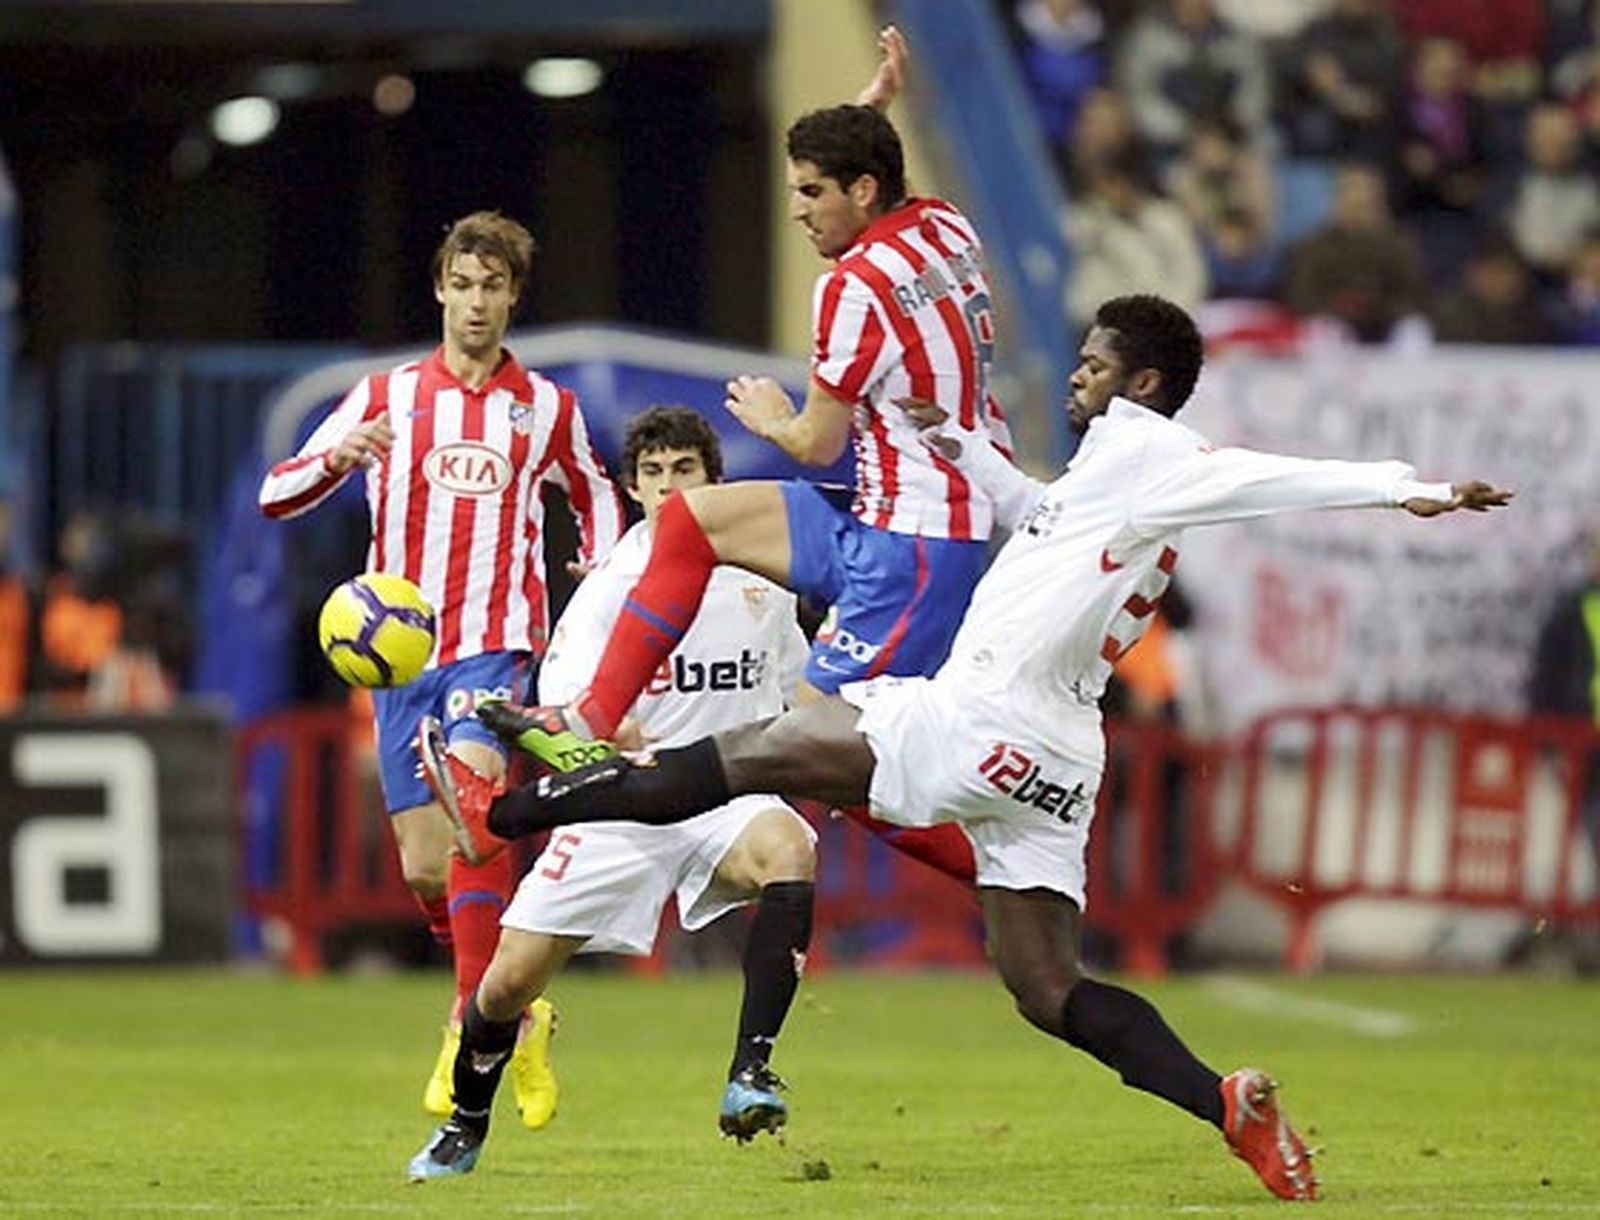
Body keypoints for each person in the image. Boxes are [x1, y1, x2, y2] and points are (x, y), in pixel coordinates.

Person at [464, 295, 1513, 1202]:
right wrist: (961, 449)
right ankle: (1224, 1101)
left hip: (982, 717)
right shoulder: (1107, 475)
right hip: (1058, 763)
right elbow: (1038, 513)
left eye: (1097, 363)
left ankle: (511, 809)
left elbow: (1247, 475)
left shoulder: (1151, 453)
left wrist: (1398, 483)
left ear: (1141, 380)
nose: (1078, 375)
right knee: (1047, 984)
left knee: (757, 753)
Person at [480, 27, 1001, 885]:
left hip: (917, 549)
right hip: (884, 512)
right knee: (688, 522)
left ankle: (1011, 877)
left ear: (861, 190)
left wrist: (770, 416)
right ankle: (592, 722)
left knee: (815, 759)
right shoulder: (941, 225)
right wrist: (864, 112)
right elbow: (874, 173)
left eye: (809, 192)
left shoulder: (852, 286)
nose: (797, 209)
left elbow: (816, 441)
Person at [258, 209, 625, 1126]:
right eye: (462, 286)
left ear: (512, 298)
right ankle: (521, 1004)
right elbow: (276, 493)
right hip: (399, 662)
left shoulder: (545, 409)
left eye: (492, 288)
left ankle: (472, 1026)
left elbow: (597, 497)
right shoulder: (386, 397)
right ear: (439, 290)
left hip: (495, 645)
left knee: (472, 810)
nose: (476, 303)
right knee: (429, 868)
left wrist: (602, 569)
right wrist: (336, 459)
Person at [407, 406, 817, 1179]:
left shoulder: (762, 581)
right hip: (620, 804)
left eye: (684, 472)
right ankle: (465, 1121)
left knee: (789, 850)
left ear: (712, 482)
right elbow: (563, 712)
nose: (669, 488)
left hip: (725, 794)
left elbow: (799, 690)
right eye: (654, 474)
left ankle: (750, 1074)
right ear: (632, 489)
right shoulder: (610, 587)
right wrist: (608, 733)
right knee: (505, 985)